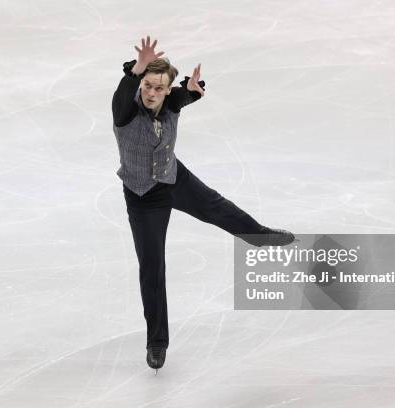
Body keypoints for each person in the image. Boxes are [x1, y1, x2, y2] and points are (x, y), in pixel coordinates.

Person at [112, 35, 295, 373]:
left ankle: (259, 236)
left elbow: (183, 97)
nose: (151, 92)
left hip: (172, 177)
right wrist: (136, 68)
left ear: (167, 90)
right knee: (152, 269)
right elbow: (125, 92)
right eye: (147, 85)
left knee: (215, 206)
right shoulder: (126, 111)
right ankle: (157, 342)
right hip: (142, 197)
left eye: (158, 88)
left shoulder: (170, 102)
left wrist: (193, 90)